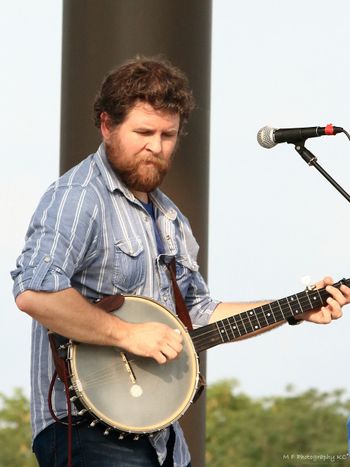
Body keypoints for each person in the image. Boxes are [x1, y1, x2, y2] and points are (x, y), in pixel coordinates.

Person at [11, 56, 350, 467]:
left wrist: (295, 308)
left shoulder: (171, 219)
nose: (156, 146)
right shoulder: (79, 197)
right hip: (85, 433)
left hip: (163, 439)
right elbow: (35, 294)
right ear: (106, 125)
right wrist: (126, 335)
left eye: (167, 135)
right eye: (143, 132)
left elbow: (200, 315)